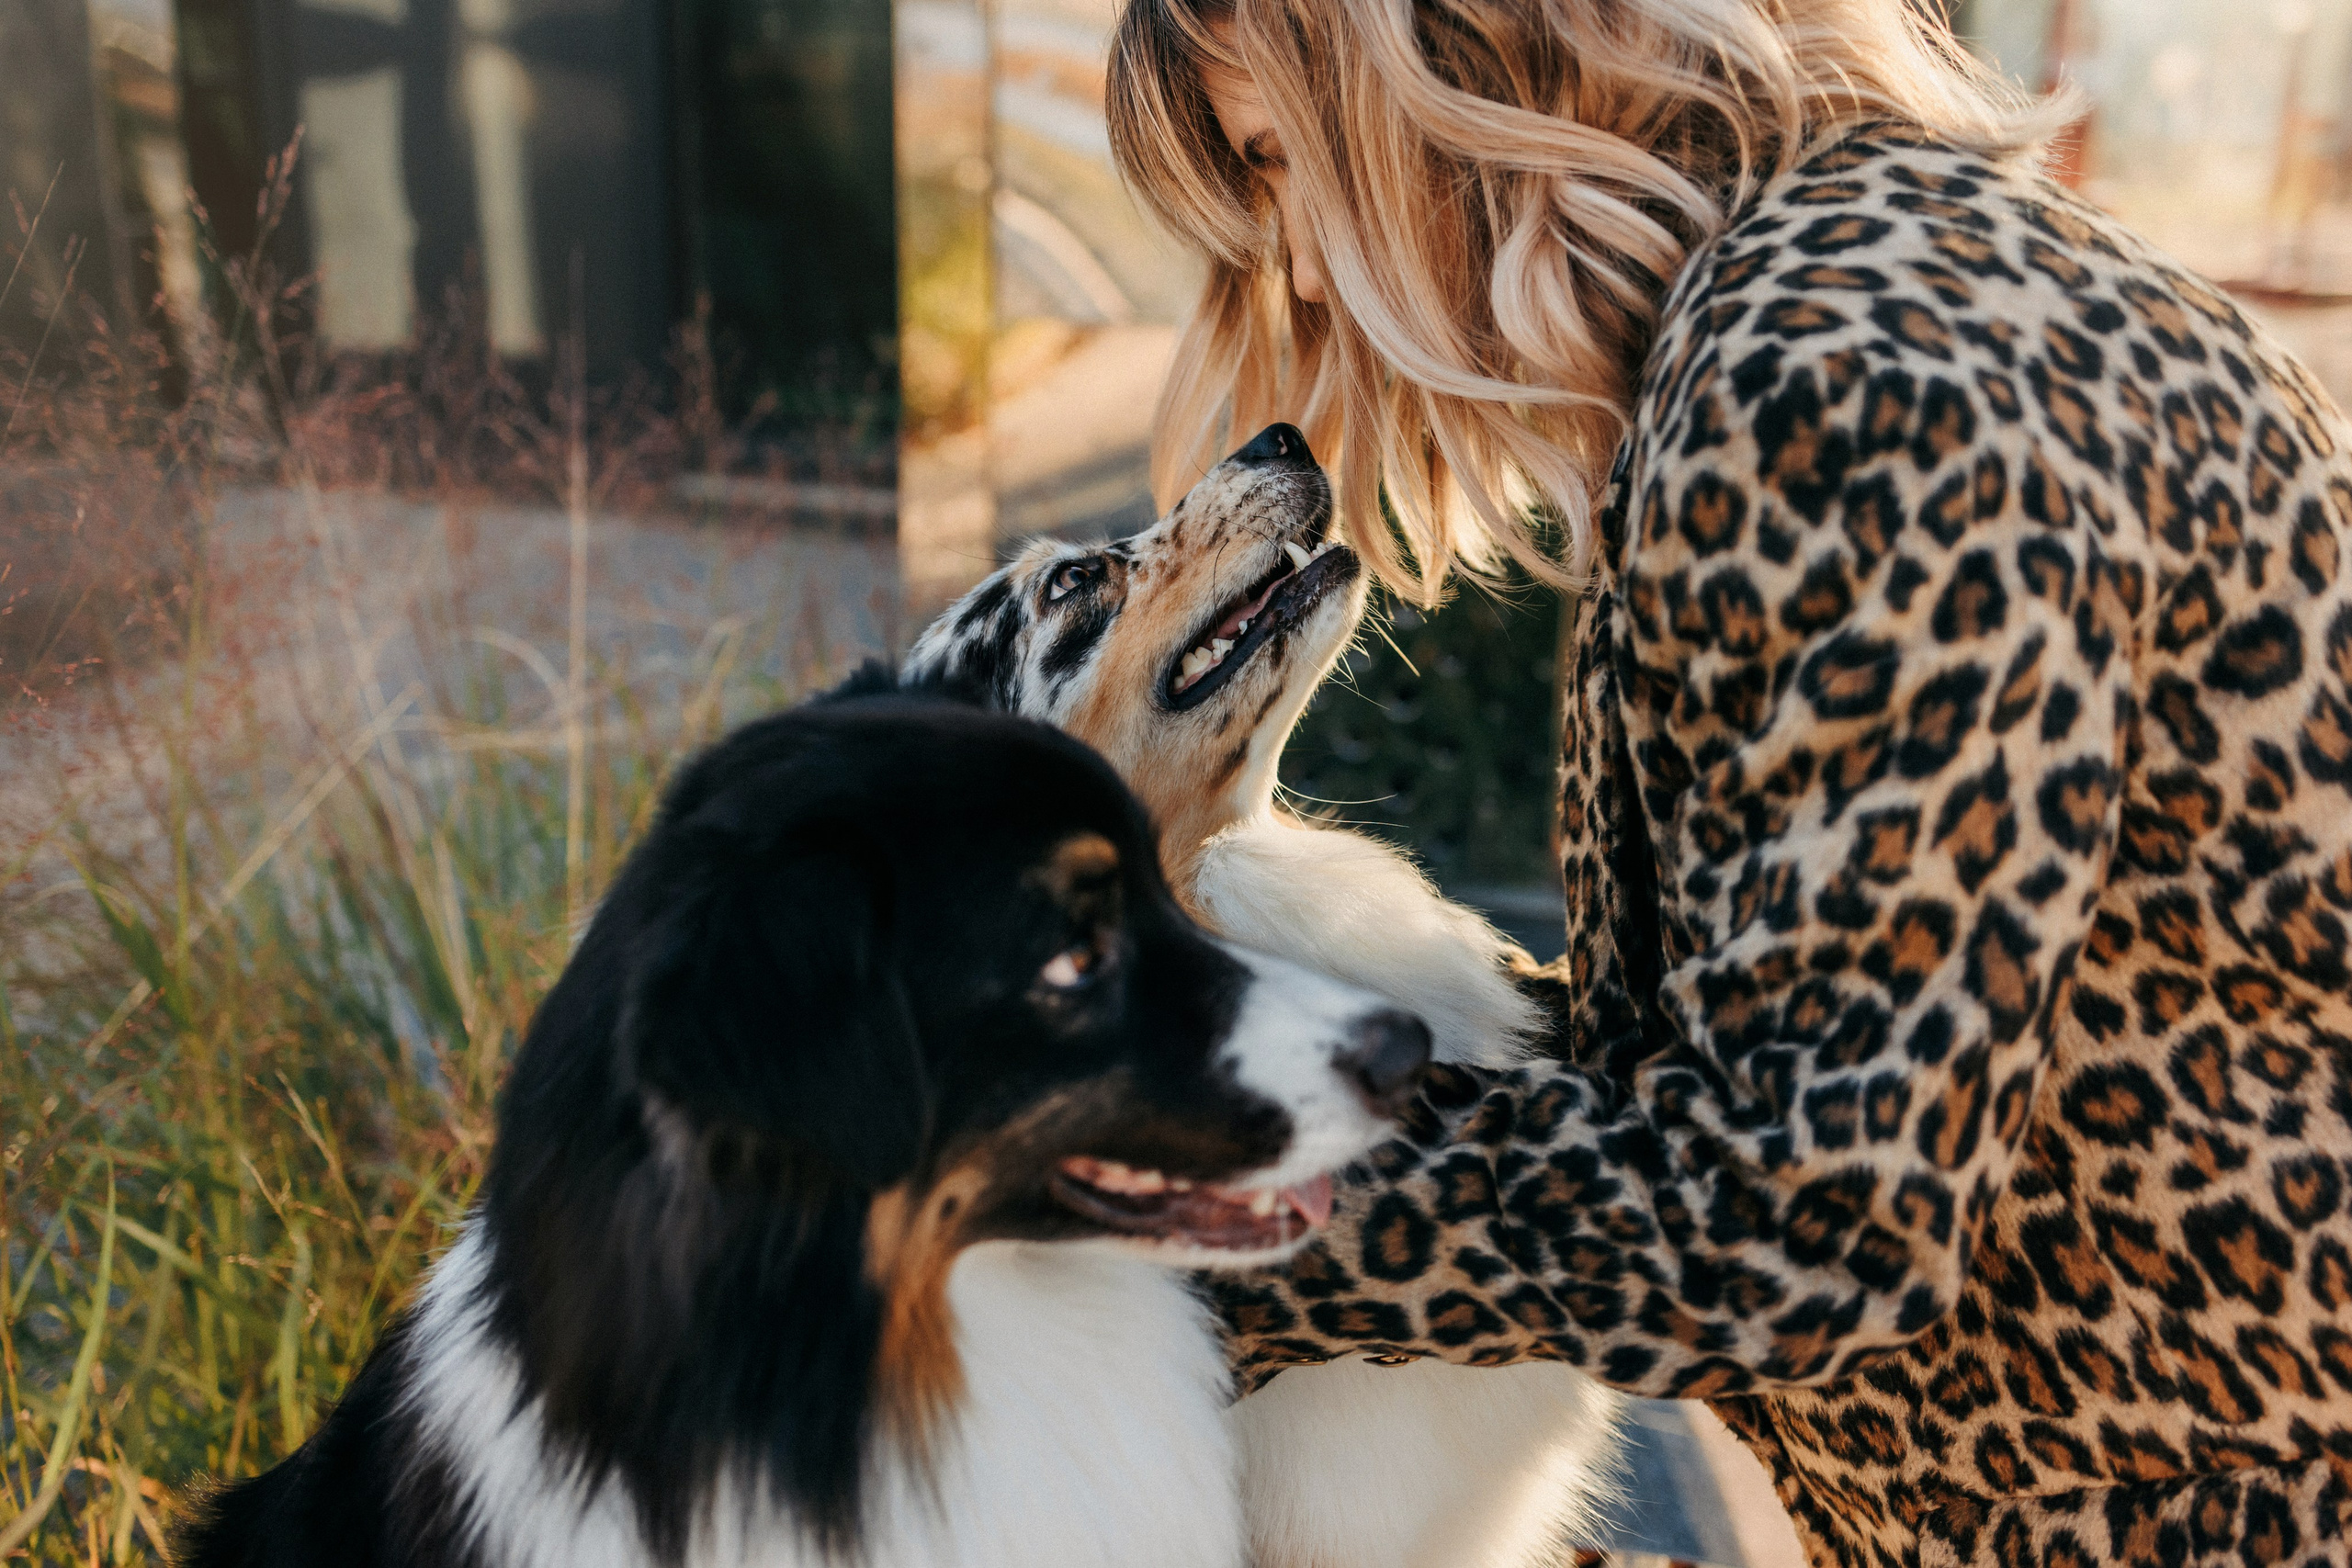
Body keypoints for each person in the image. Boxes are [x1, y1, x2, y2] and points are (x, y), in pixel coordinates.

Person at [1103, 5, 2352, 1567]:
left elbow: (1816, 1213)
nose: (1293, 271)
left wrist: (1206, 1200)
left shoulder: (1841, 370)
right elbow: (1786, 1044)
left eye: (1283, 160)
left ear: (1452, 61)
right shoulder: (1863, 293)